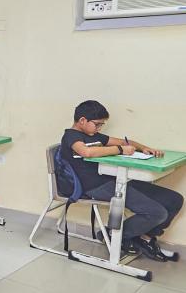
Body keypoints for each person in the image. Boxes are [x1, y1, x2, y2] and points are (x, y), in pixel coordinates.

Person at [60, 100, 183, 260]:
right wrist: (120, 150)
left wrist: (144, 148)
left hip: (117, 179)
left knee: (174, 200)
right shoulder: (71, 136)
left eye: (102, 125)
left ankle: (143, 238)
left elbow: (126, 142)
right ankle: (112, 234)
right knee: (156, 212)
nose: (99, 128)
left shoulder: (94, 136)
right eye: (97, 124)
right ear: (82, 120)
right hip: (94, 186)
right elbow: (86, 152)